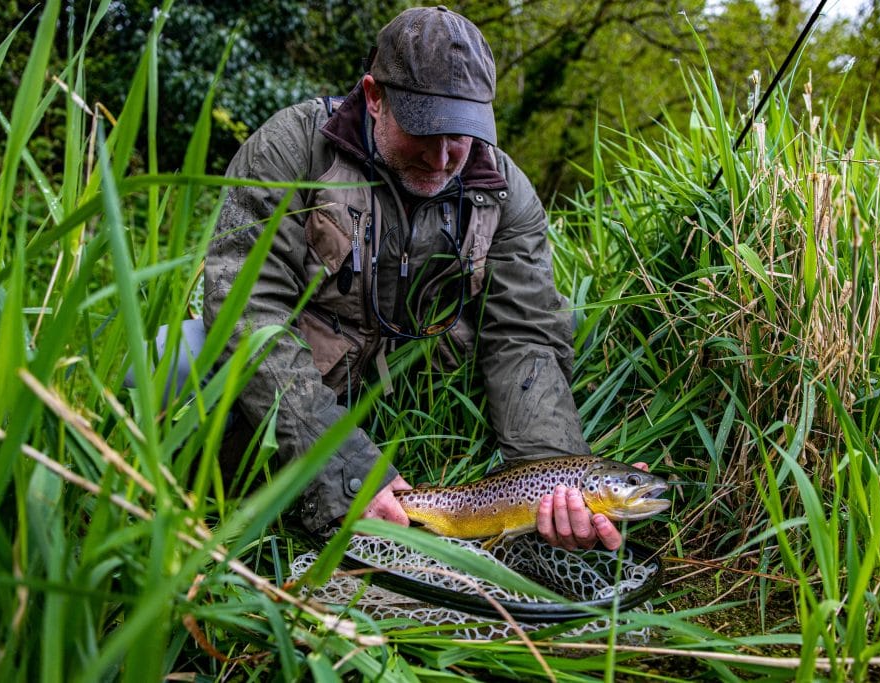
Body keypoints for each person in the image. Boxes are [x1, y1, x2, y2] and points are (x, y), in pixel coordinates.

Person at [204, 5, 632, 551]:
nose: (443, 155)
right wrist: (347, 465)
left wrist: (554, 476)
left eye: (463, 134)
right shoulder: (292, 149)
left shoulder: (504, 191)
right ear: (374, 96)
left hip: (427, 402)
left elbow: (523, 338)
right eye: (424, 130)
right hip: (308, 391)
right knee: (184, 355)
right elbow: (247, 313)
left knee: (563, 321)